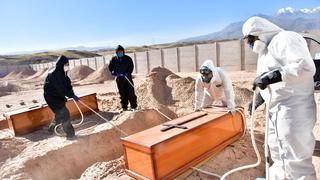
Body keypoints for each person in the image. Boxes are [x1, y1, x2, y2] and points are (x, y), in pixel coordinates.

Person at [243, 16, 317, 179]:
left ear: (259, 32)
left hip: (294, 108)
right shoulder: (265, 52)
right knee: (277, 154)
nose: (249, 44)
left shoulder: (285, 38)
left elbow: (305, 67)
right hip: (275, 109)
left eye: (250, 39)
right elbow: (267, 79)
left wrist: (274, 75)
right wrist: (259, 99)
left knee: (295, 159)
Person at [44, 55, 80, 139]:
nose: (67, 66)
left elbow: (68, 86)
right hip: (51, 97)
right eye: (66, 64)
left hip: (58, 96)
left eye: (68, 64)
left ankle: (51, 129)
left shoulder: (64, 75)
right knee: (64, 114)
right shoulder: (53, 74)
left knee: (59, 113)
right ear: (60, 64)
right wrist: (70, 95)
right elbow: (61, 89)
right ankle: (70, 135)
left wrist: (73, 94)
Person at [108, 45, 137, 112]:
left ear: (123, 52)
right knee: (122, 93)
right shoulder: (113, 59)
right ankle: (124, 107)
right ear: (116, 53)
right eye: (118, 52)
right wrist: (114, 73)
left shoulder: (128, 58)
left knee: (131, 92)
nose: (120, 53)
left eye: (121, 52)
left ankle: (134, 106)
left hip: (128, 78)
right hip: (119, 79)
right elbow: (110, 68)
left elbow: (131, 67)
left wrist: (128, 73)